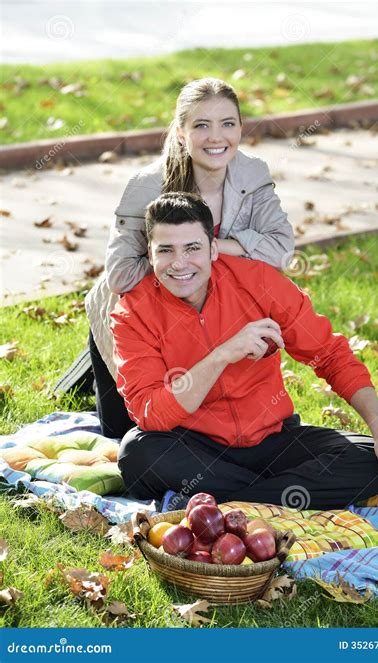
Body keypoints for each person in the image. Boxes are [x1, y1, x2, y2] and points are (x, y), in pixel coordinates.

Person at [111, 192, 378, 510]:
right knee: (138, 454)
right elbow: (151, 412)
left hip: (272, 442)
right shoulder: (133, 313)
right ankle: (273, 498)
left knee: (374, 460)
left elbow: (330, 354)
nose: (180, 263)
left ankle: (228, 502)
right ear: (150, 253)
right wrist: (222, 355)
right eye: (166, 251)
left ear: (213, 249)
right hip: (194, 447)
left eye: (192, 248)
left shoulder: (257, 282)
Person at [84, 77, 295, 440]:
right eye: (201, 125)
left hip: (211, 314)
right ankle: (91, 372)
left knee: (214, 427)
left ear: (240, 128)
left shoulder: (251, 173)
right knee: (129, 436)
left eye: (227, 124)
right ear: (181, 133)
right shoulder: (148, 184)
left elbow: (281, 249)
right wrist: (181, 258)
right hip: (138, 320)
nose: (216, 137)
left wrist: (212, 248)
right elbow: (120, 275)